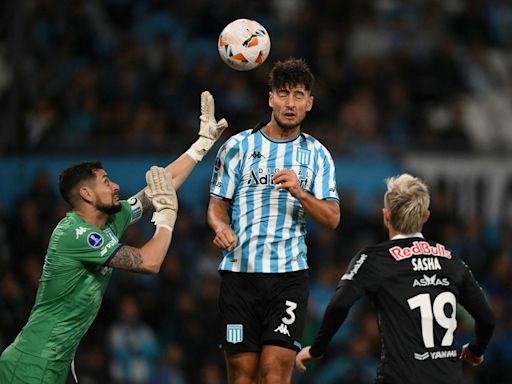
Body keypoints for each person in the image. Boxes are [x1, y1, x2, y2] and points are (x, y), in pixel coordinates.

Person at [0, 91, 228, 384]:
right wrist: (166, 220)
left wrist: (202, 145)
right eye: (106, 182)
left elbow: (159, 188)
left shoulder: (110, 218)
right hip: (31, 363)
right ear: (86, 194)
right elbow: (149, 262)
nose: (116, 185)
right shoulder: (76, 234)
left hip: (57, 361)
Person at [207, 58, 341, 383]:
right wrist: (221, 226)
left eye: (298, 95)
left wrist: (301, 193)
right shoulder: (237, 147)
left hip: (288, 278)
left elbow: (332, 218)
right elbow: (216, 205)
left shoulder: (318, 155)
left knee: (273, 374)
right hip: (240, 276)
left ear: (309, 103)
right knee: (241, 376)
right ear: (270, 98)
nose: (290, 103)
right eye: (283, 94)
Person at [296, 173, 496, 383]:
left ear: (386, 216)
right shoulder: (450, 259)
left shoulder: (374, 258)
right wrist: (476, 349)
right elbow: (487, 319)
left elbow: (339, 306)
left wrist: (317, 349)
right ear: (425, 216)